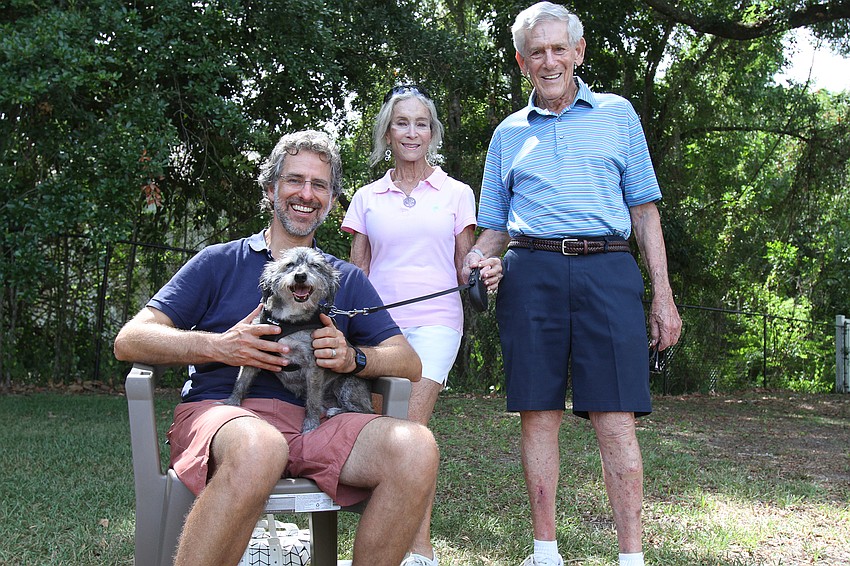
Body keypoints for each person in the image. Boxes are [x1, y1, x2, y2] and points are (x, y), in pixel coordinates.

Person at [113, 130, 439, 566]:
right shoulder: (219, 262)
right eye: (294, 180)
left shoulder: (343, 278)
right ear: (271, 189)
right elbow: (130, 339)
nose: (306, 194)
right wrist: (221, 346)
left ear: (331, 199)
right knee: (260, 446)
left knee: (415, 447)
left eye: (320, 185)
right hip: (226, 417)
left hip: (317, 421)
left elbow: (408, 361)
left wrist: (355, 358)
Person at [469, 3, 683, 566]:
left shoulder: (618, 114)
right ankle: (545, 552)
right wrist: (476, 261)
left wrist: (662, 295)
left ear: (579, 52)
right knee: (539, 412)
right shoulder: (507, 134)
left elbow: (644, 210)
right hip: (529, 272)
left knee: (615, 415)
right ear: (521, 61)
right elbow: (493, 227)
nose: (549, 60)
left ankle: (630, 556)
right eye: (536, 51)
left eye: (559, 48)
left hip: (607, 270)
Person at [341, 84, 502, 566]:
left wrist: (483, 271)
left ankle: (418, 551)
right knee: (388, 437)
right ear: (387, 132)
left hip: (436, 322)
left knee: (409, 430)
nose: (412, 132)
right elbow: (357, 271)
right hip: (378, 328)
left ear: (432, 133)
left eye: (421, 123)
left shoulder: (456, 193)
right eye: (402, 123)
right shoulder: (367, 198)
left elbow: (463, 263)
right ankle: (394, 548)